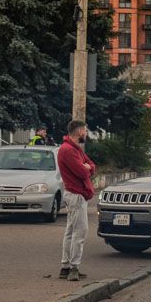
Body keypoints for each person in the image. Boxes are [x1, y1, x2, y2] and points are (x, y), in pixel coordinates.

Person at [57, 120, 96, 282]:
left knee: (71, 232)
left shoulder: (75, 149)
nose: (86, 133)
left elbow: (91, 165)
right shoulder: (68, 150)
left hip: (75, 194)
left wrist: (89, 167)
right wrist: (86, 168)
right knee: (80, 232)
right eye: (85, 131)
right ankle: (74, 267)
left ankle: (65, 267)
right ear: (79, 131)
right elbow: (82, 172)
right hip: (76, 195)